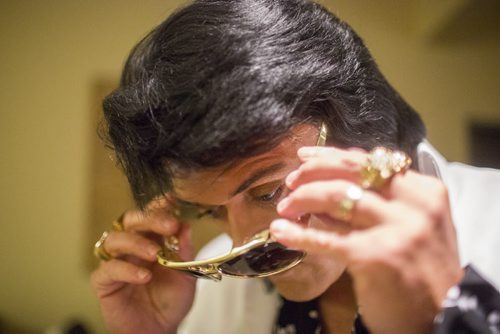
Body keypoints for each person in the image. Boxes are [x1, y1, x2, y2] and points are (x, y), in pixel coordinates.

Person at [90, 0, 500, 333]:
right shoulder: (212, 293)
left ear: (358, 128)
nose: (243, 242)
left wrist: (444, 321)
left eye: (267, 192)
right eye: (212, 212)